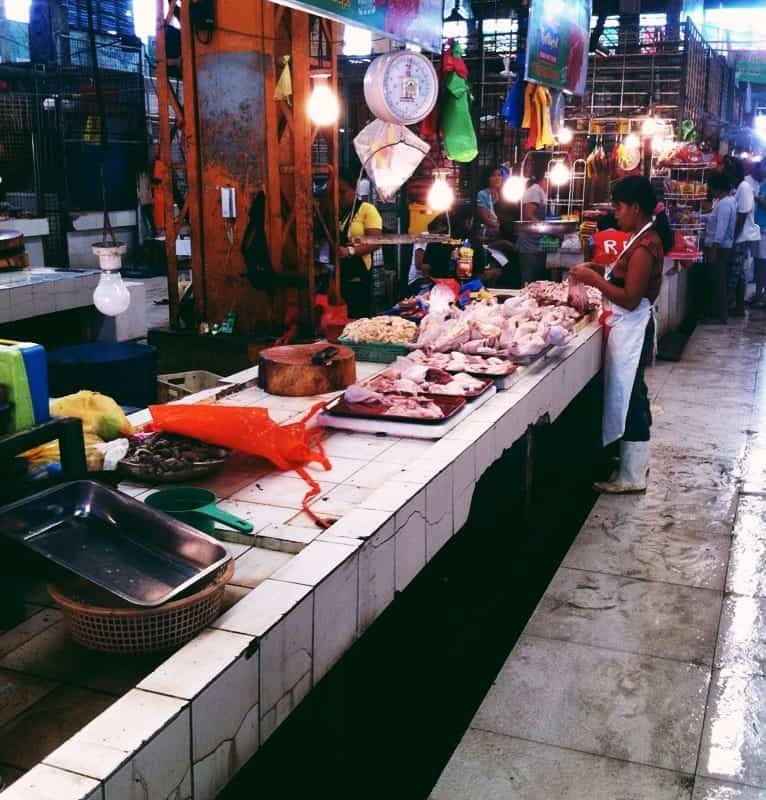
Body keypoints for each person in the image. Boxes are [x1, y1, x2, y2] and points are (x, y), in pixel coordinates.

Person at [569, 176, 673, 494]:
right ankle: (631, 461)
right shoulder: (638, 237)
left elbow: (629, 297)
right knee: (631, 393)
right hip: (626, 327)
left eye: (619, 207)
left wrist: (593, 279)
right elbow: (622, 277)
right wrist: (598, 271)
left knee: (632, 397)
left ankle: (633, 475)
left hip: (633, 328)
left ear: (635, 208)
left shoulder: (646, 246)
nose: (615, 214)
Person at [337, 169, 382, 319]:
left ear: (354, 189)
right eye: (334, 193)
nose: (338, 197)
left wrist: (349, 251)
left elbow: (375, 242)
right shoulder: (334, 212)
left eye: (342, 192)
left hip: (358, 276)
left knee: (356, 319)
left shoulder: (367, 210)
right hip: (336, 277)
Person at [727, 157, 761, 316]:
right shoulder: (741, 187)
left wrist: (733, 238)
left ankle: (727, 308)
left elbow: (742, 214)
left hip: (743, 237)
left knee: (735, 273)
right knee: (739, 273)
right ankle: (738, 308)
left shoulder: (744, 187)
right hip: (741, 236)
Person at [703, 172, 736, 323]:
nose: (710, 191)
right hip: (722, 247)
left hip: (719, 248)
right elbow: (712, 218)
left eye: (711, 188)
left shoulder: (724, 204)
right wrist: (697, 217)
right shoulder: (727, 201)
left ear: (717, 188)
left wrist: (714, 250)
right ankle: (718, 314)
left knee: (718, 282)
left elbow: (720, 230)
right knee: (718, 280)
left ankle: (721, 317)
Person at [518, 174, 549, 284]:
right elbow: (528, 215)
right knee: (528, 280)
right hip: (528, 244)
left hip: (536, 243)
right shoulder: (534, 190)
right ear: (544, 178)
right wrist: (546, 228)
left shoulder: (539, 191)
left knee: (536, 281)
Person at [753, 161, 766, 307]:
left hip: (764, 230)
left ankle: (762, 296)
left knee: (763, 263)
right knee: (758, 262)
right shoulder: (762, 183)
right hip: (758, 229)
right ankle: (758, 293)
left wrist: (754, 197)